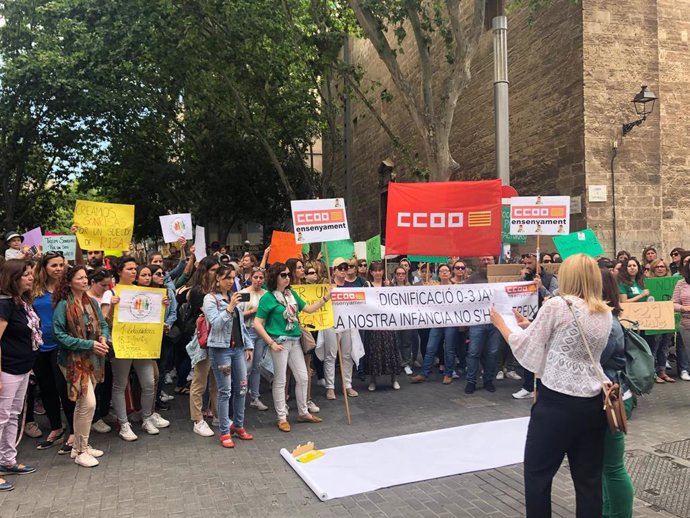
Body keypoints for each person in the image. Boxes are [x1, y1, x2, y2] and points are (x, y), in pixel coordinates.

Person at [490, 254, 613, 518]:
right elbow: (566, 347)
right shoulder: (604, 312)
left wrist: (502, 325)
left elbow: (527, 347)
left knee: (538, 476)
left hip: (557, 402)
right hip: (593, 403)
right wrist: (529, 325)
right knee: (588, 481)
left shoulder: (558, 305)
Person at [253, 262, 330, 432]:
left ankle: (303, 412)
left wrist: (326, 298)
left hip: (294, 341)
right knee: (280, 380)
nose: (288, 277)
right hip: (279, 342)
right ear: (275, 278)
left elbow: (308, 309)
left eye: (288, 274)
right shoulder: (268, 298)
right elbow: (257, 323)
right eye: (284, 275)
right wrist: (271, 342)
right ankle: (282, 417)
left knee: (303, 377)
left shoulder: (291, 294)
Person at [52, 266, 110, 467]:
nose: (85, 281)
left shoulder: (92, 303)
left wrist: (103, 337)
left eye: (86, 277)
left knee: (83, 405)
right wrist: (89, 344)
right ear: (69, 282)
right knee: (89, 403)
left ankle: (79, 446)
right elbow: (59, 335)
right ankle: (82, 451)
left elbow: (103, 324)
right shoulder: (63, 305)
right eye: (80, 278)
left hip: (93, 360)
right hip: (72, 361)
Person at [110, 257, 168, 441]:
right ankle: (124, 424)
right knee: (120, 384)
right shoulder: (111, 292)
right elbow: (104, 319)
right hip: (122, 344)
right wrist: (111, 306)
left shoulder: (144, 291)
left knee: (149, 383)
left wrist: (162, 307)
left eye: (135, 268)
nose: (134, 272)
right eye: (130, 269)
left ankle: (146, 418)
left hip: (142, 343)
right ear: (120, 271)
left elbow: (152, 320)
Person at [0, 259, 41, 489]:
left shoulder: (22, 302)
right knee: (1, 418)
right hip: (7, 369)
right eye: (25, 274)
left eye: (30, 273)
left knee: (13, 415)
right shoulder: (4, 304)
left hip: (22, 367)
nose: (31, 277)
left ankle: (7, 460)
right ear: (13, 277)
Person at [204, 265, 254, 448]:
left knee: (242, 388)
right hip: (220, 350)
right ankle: (224, 431)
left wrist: (248, 345)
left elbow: (240, 326)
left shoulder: (234, 296)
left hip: (238, 349)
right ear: (217, 278)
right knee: (225, 391)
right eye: (227, 278)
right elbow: (216, 325)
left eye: (233, 278)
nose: (231, 281)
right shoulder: (210, 299)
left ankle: (238, 425)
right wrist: (230, 307)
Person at [599, 268, 635, 518]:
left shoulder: (607, 324)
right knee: (603, 466)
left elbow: (595, 362)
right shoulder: (604, 319)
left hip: (612, 399)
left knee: (612, 467)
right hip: (610, 396)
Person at [184, 256, 220, 437]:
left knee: (216, 380)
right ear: (205, 271)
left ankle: (217, 415)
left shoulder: (219, 290)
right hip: (203, 340)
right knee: (200, 381)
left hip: (219, 339)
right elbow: (211, 315)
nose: (216, 274)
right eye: (213, 270)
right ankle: (197, 419)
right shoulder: (199, 292)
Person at [411, 264, 458, 384]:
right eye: (442, 271)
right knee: (430, 347)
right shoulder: (433, 286)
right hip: (437, 321)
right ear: (439, 273)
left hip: (451, 321)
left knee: (449, 349)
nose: (444, 273)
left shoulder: (456, 287)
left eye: (446, 271)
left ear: (450, 273)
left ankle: (448, 373)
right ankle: (424, 373)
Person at [321, 258, 359, 400]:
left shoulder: (351, 287)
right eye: (340, 268)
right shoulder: (328, 287)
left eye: (346, 268)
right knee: (331, 355)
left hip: (347, 324)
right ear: (334, 270)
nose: (343, 270)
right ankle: (330, 387)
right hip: (331, 324)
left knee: (347, 355)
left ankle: (347, 385)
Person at [464, 256, 501, 394]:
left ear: (494, 261)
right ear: (479, 262)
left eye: (489, 259)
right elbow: (459, 294)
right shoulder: (473, 278)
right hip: (478, 322)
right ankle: (471, 381)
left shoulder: (502, 277)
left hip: (496, 322)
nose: (486, 262)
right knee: (473, 353)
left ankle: (488, 381)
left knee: (492, 353)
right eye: (483, 259)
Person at [363, 261, 401, 391]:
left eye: (380, 270)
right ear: (371, 272)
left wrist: (389, 288)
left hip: (387, 323)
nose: (378, 273)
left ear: (383, 272)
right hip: (374, 324)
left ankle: (394, 378)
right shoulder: (367, 285)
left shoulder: (388, 285)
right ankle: (373, 380)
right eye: (375, 270)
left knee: (390, 349)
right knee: (374, 351)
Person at [86, 268, 115, 434]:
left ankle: (104, 411)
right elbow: (96, 323)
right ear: (93, 283)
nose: (105, 288)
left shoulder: (109, 296)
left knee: (107, 379)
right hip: (92, 345)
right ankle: (95, 417)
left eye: (108, 285)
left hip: (107, 343)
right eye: (102, 285)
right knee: (95, 381)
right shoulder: (87, 299)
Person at [241, 267, 269, 411]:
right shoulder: (244, 293)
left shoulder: (266, 294)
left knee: (257, 365)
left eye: (261, 278)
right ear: (251, 278)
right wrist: (252, 311)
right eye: (256, 277)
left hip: (262, 332)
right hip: (248, 330)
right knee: (247, 366)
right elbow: (237, 313)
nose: (258, 280)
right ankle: (241, 395)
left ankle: (255, 397)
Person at [647, 259, 676, 383]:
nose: (660, 269)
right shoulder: (647, 283)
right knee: (654, 346)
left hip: (668, 319)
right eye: (657, 267)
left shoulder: (672, 283)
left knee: (665, 346)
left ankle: (662, 371)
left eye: (662, 267)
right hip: (654, 320)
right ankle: (652, 372)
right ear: (653, 269)